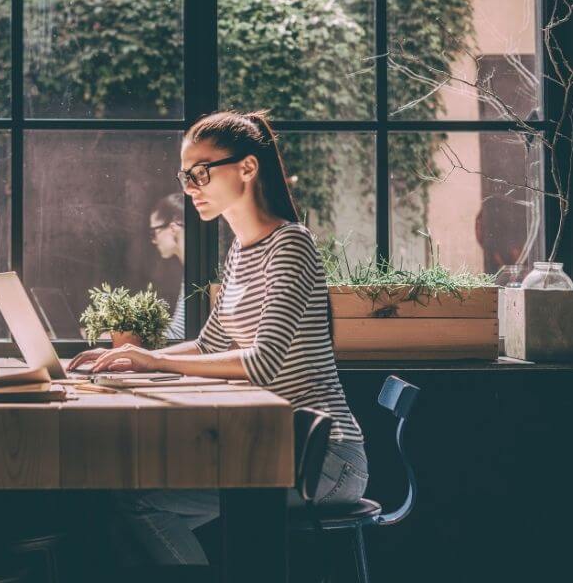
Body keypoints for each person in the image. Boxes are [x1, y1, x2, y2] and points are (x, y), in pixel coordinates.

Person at [67, 109, 367, 565]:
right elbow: (211, 345)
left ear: (247, 168)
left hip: (326, 460)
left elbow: (262, 362)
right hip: (274, 447)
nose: (190, 187)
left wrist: (156, 363)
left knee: (141, 501)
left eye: (201, 173)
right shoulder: (240, 253)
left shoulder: (292, 244)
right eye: (186, 175)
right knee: (130, 495)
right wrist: (132, 356)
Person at [150, 193, 185, 339]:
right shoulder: (190, 272)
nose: (154, 241)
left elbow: (179, 335)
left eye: (154, 232)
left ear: (172, 228)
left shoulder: (195, 275)